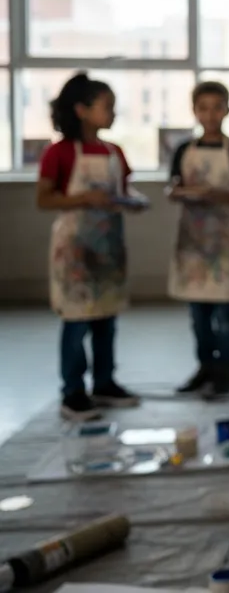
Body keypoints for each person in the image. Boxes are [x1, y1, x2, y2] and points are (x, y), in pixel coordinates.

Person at [36, 73, 146, 421]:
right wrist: (85, 197)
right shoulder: (59, 152)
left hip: (109, 247)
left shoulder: (115, 152)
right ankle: (72, 391)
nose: (113, 113)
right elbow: (44, 199)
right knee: (76, 321)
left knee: (105, 320)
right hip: (75, 250)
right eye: (107, 107)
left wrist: (134, 201)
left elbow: (124, 190)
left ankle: (104, 382)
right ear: (82, 110)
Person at [168, 81, 229, 400]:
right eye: (203, 108)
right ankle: (204, 366)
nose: (210, 114)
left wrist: (217, 195)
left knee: (224, 311)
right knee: (198, 312)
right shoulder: (183, 149)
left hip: (225, 241)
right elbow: (173, 187)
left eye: (217, 107)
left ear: (227, 110)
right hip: (192, 242)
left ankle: (226, 370)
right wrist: (181, 194)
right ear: (194, 111)